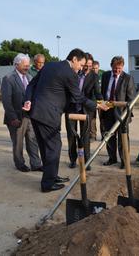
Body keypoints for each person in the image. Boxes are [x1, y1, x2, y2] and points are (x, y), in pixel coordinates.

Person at [24, 49, 108, 192]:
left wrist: (28, 99)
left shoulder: (50, 65)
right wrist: (97, 105)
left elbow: (31, 85)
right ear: (74, 59)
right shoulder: (70, 73)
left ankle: (52, 176)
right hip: (49, 116)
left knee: (46, 148)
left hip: (36, 113)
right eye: (81, 65)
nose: (81, 68)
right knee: (54, 147)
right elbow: (78, 97)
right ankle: (47, 184)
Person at [1, 53, 42, 172]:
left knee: (33, 140)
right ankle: (20, 164)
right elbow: (6, 101)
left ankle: (36, 164)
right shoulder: (8, 78)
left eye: (28, 65)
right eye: (25, 65)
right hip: (16, 118)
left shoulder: (29, 77)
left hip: (29, 116)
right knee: (18, 143)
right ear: (17, 65)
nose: (27, 67)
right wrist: (13, 117)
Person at [66, 53, 102, 170]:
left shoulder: (94, 77)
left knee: (85, 136)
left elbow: (97, 92)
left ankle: (87, 161)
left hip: (85, 110)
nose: (87, 67)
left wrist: (101, 102)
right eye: (86, 65)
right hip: (71, 108)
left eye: (90, 65)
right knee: (71, 135)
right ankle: (72, 159)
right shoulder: (74, 73)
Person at [101, 56, 136, 169]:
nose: (117, 71)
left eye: (119, 68)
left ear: (122, 67)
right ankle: (112, 158)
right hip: (108, 111)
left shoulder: (128, 78)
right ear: (111, 66)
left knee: (123, 138)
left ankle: (124, 160)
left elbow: (131, 98)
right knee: (109, 136)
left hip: (122, 113)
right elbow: (102, 92)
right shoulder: (106, 76)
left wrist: (127, 112)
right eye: (115, 68)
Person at [91, 60, 104, 140]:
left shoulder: (102, 76)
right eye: (93, 68)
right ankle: (93, 135)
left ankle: (103, 135)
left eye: (96, 68)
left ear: (98, 68)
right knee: (92, 118)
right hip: (92, 100)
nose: (95, 70)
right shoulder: (90, 77)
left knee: (102, 118)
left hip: (101, 100)